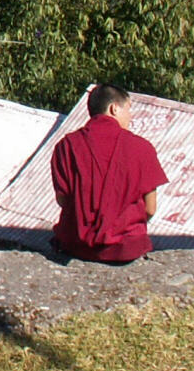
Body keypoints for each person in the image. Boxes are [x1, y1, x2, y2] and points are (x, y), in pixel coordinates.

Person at [51, 83, 168, 263]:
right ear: (114, 108)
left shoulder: (66, 145)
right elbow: (150, 208)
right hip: (125, 248)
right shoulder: (141, 148)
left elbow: (63, 200)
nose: (130, 117)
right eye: (128, 109)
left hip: (76, 245)